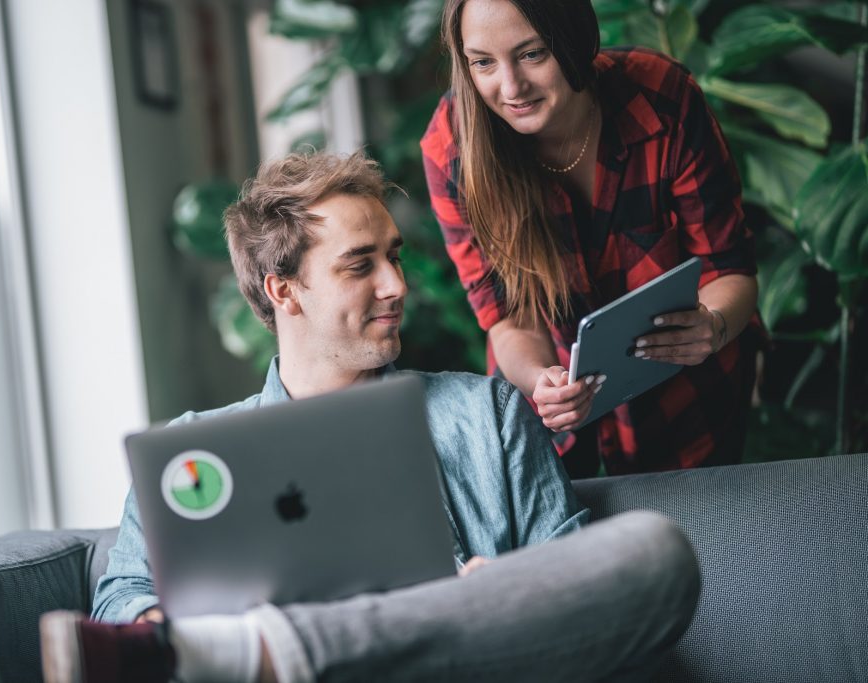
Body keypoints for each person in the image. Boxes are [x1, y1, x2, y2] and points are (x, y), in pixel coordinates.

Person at [39, 151, 700, 683]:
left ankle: (272, 650)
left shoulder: (487, 413)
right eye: (362, 265)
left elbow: (581, 584)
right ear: (284, 289)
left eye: (394, 256)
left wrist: (504, 593)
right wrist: (165, 616)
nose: (397, 284)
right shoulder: (189, 452)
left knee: (657, 553)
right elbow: (120, 607)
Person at [421, 0, 765, 477]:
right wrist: (544, 382)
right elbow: (508, 322)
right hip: (553, 432)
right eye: (483, 62)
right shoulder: (451, 148)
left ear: (574, 38)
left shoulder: (661, 99)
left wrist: (716, 326)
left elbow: (731, 270)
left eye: (532, 54)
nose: (510, 87)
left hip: (690, 410)